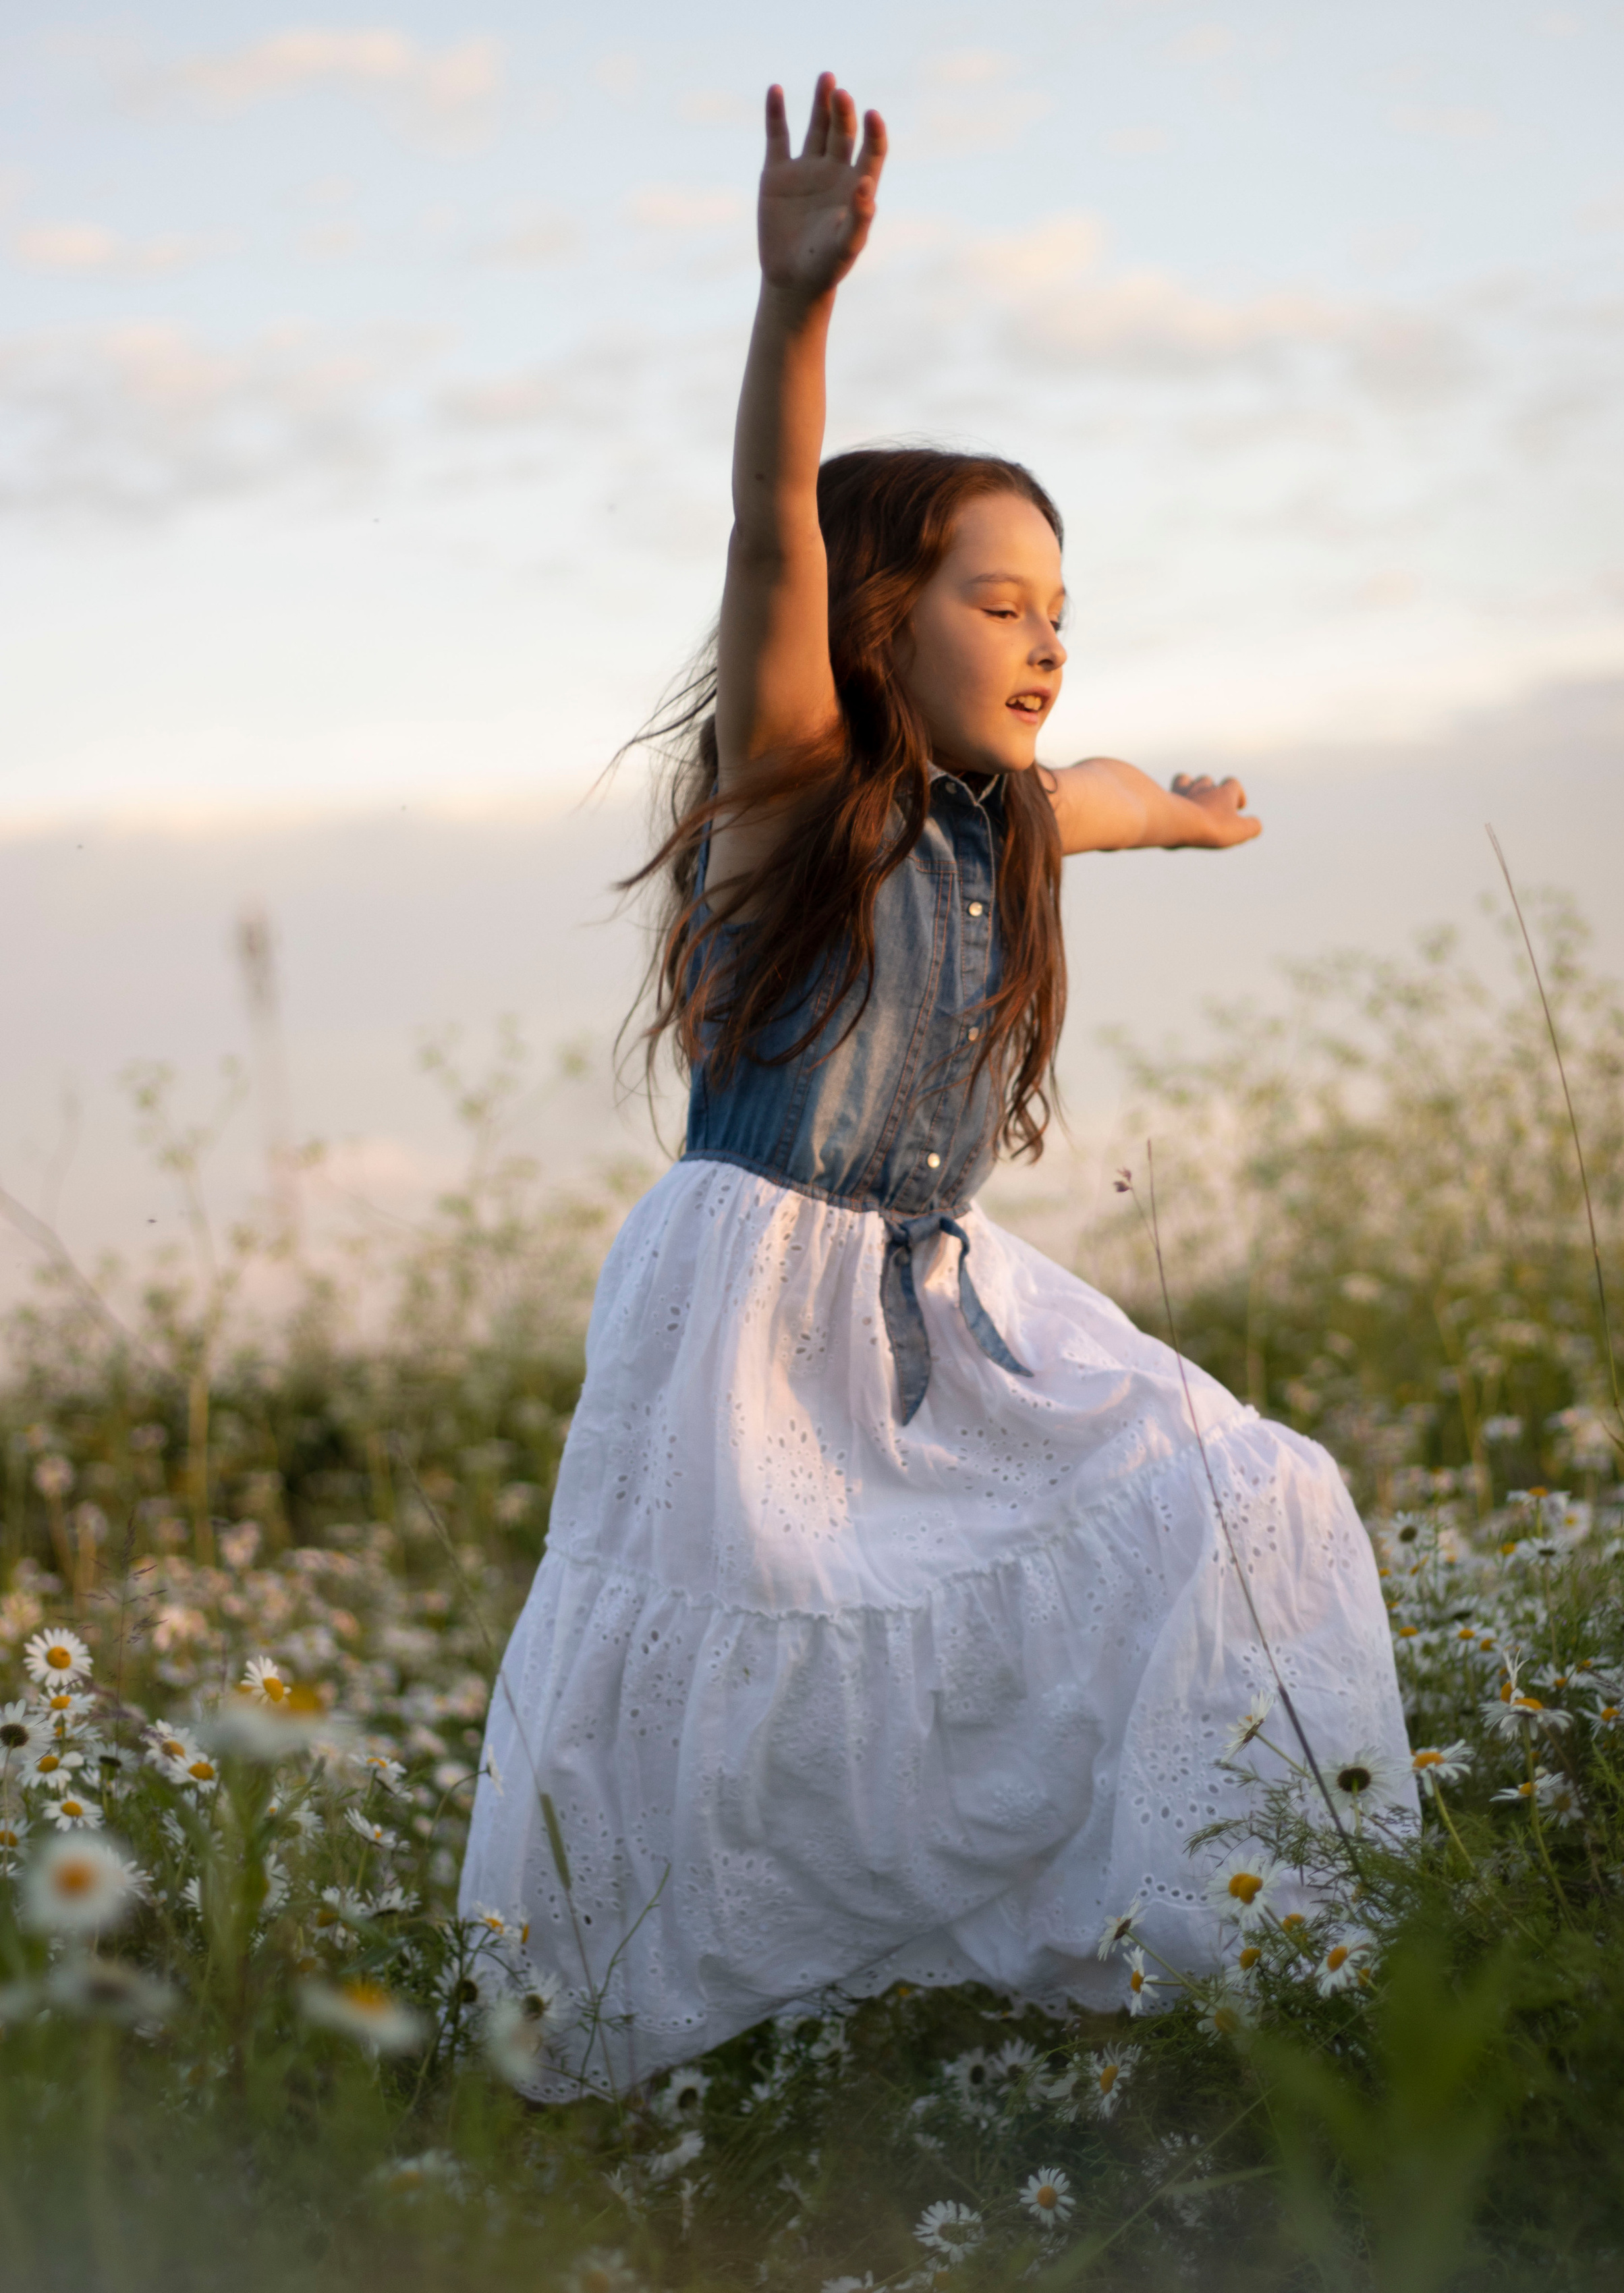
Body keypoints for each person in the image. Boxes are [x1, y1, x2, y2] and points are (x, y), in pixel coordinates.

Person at [460, 74, 1411, 2096]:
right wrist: (795, 303)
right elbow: (764, 542)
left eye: (1064, 614)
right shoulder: (794, 804)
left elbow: (1105, 790)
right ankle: (641, 2034)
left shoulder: (1013, 824)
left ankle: (1209, 1956)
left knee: (1247, 1494)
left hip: (938, 1295)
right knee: (741, 1664)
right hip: (752, 1313)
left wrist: (1193, 814)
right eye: (1000, 604)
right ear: (881, 623)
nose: (1046, 643)